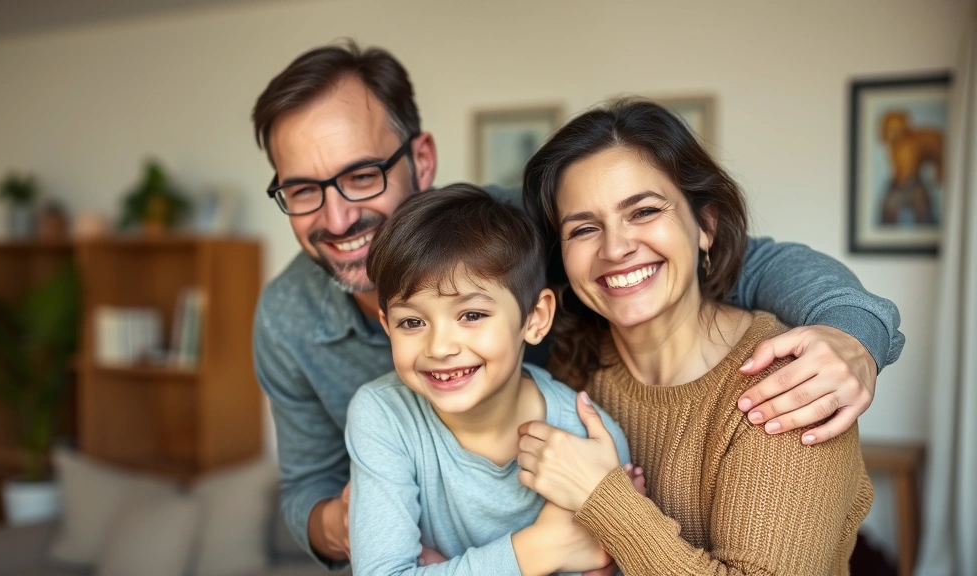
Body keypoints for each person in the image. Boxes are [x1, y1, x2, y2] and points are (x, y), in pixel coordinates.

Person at [249, 41, 903, 567]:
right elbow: (307, 483)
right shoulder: (287, 320)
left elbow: (743, 261)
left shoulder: (511, 239)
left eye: (362, 175)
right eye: (304, 190)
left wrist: (853, 331)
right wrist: (351, 527)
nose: (337, 215)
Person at [516, 99, 873, 575]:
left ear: (705, 225)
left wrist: (602, 498)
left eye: (643, 211)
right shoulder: (570, 371)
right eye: (584, 228)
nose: (616, 248)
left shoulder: (789, 387)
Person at [346, 184, 637, 575]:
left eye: (471, 315)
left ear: (534, 318)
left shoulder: (588, 442)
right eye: (412, 322)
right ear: (387, 327)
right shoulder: (383, 414)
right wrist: (543, 547)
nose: (440, 347)